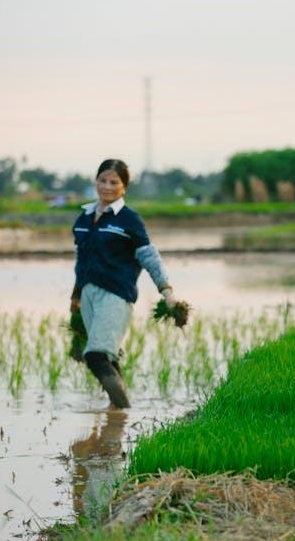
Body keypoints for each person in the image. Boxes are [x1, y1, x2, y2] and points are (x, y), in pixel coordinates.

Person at [70, 159, 182, 408]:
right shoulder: (83, 219)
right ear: (96, 181)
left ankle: (123, 410)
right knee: (109, 356)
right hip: (88, 294)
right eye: (102, 180)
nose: (107, 187)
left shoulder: (128, 219)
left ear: (124, 188)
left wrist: (166, 291)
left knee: (96, 355)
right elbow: (81, 261)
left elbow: (148, 255)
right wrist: (75, 299)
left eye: (114, 182)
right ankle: (117, 420)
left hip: (116, 295)